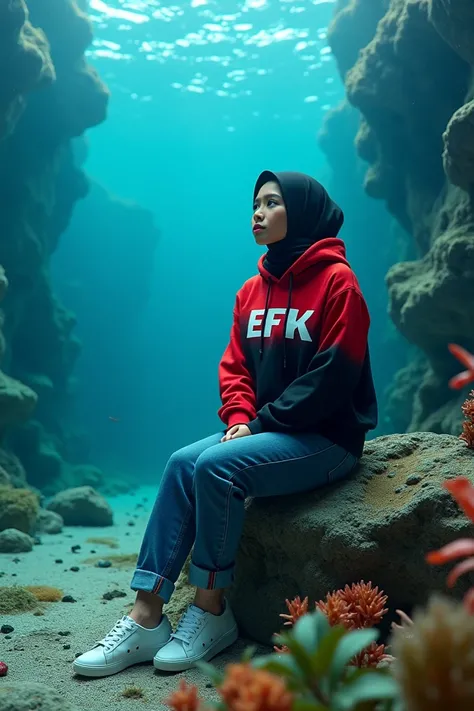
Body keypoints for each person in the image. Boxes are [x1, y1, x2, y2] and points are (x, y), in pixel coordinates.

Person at [72, 170, 377, 678]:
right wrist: (240, 417)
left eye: (272, 203)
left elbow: (335, 377)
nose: (257, 212)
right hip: (264, 430)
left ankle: (212, 610)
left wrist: (259, 423)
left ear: (300, 212)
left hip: (327, 438)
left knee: (216, 467)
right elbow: (234, 368)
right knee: (179, 463)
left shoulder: (338, 282)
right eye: (254, 203)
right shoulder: (250, 291)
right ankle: (146, 616)